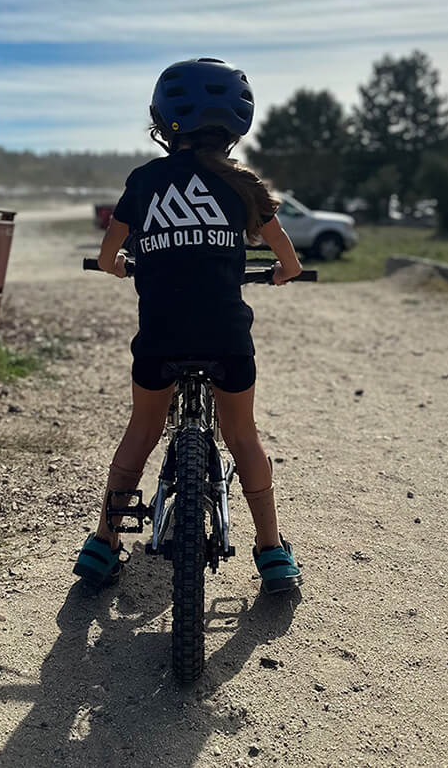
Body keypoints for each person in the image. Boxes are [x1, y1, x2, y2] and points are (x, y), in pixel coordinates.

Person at [73, 57, 304, 594]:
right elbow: (288, 261)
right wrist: (278, 274)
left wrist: (125, 264)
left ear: (162, 120)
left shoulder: (144, 181)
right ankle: (271, 551)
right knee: (242, 435)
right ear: (237, 124)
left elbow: (110, 256)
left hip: (160, 337)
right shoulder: (243, 187)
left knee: (142, 430)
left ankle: (103, 543)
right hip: (225, 337)